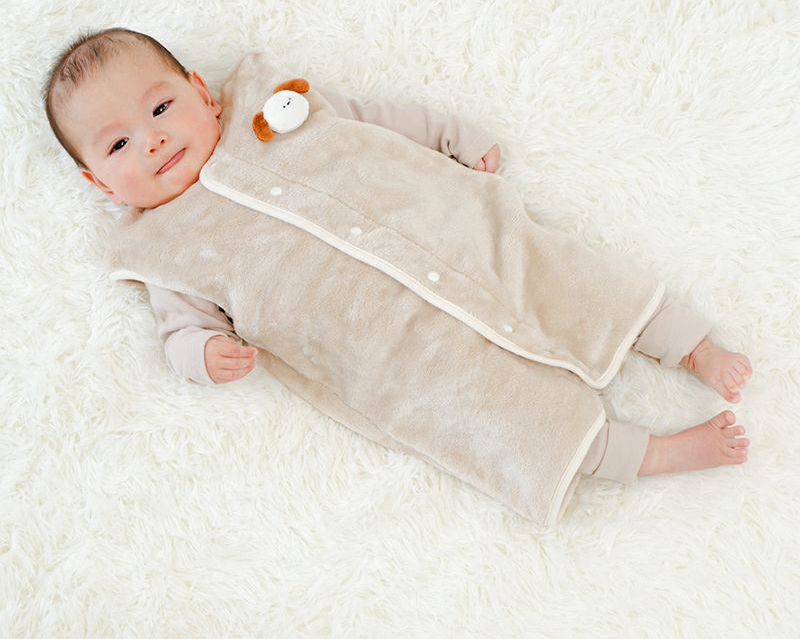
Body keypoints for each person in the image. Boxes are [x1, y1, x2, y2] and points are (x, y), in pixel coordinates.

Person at [43, 27, 752, 521]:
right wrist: (203, 354)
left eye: (160, 107)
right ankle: (649, 454)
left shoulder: (271, 108)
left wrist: (448, 135)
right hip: (396, 353)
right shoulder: (163, 248)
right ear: (99, 181)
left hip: (460, 238)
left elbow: (369, 119)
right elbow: (179, 332)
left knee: (562, 277)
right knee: (498, 416)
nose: (154, 139)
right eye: (119, 144)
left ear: (201, 90)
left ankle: (690, 344)